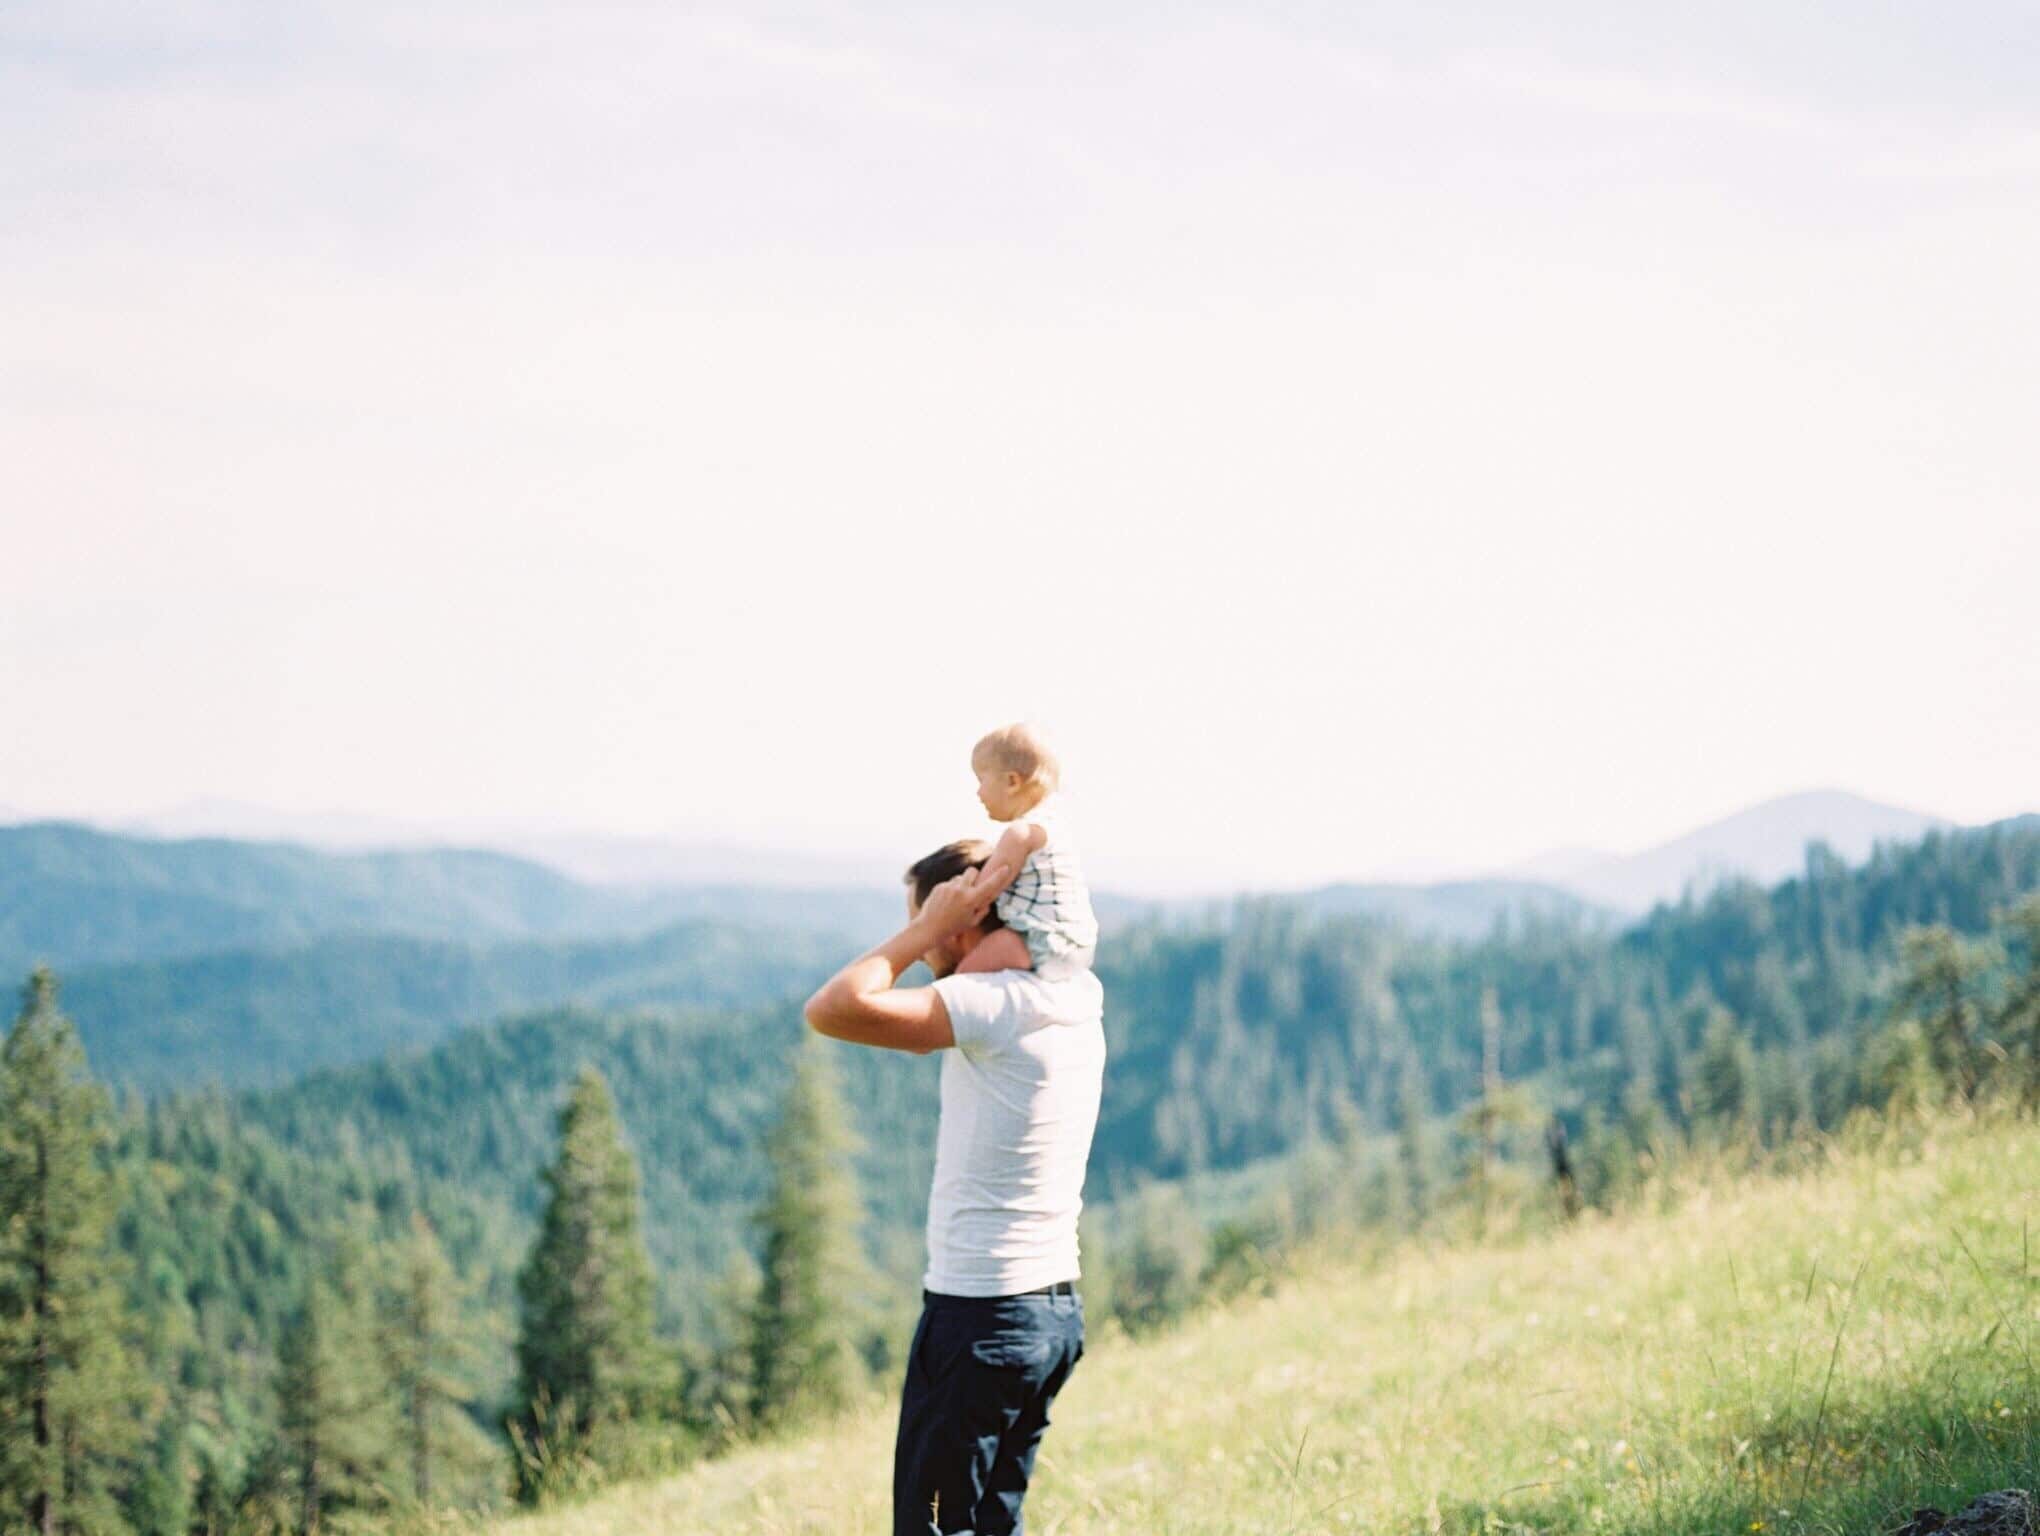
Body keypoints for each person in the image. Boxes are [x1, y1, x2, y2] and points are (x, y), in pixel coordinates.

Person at [804, 838, 1107, 1536]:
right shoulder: (1075, 993)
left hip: (981, 1318)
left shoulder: (992, 1005)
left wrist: (921, 931)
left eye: (939, 922)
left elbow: (832, 1008)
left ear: (964, 920)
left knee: (933, 1528)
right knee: (992, 1524)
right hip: (1051, 1313)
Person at [956, 722, 1100, 979]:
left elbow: (981, 891)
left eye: (981, 780)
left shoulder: (1019, 835)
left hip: (1040, 939)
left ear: (1012, 782)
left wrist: (952, 896)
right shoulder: (1055, 827)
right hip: (1078, 944)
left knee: (964, 976)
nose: (978, 792)